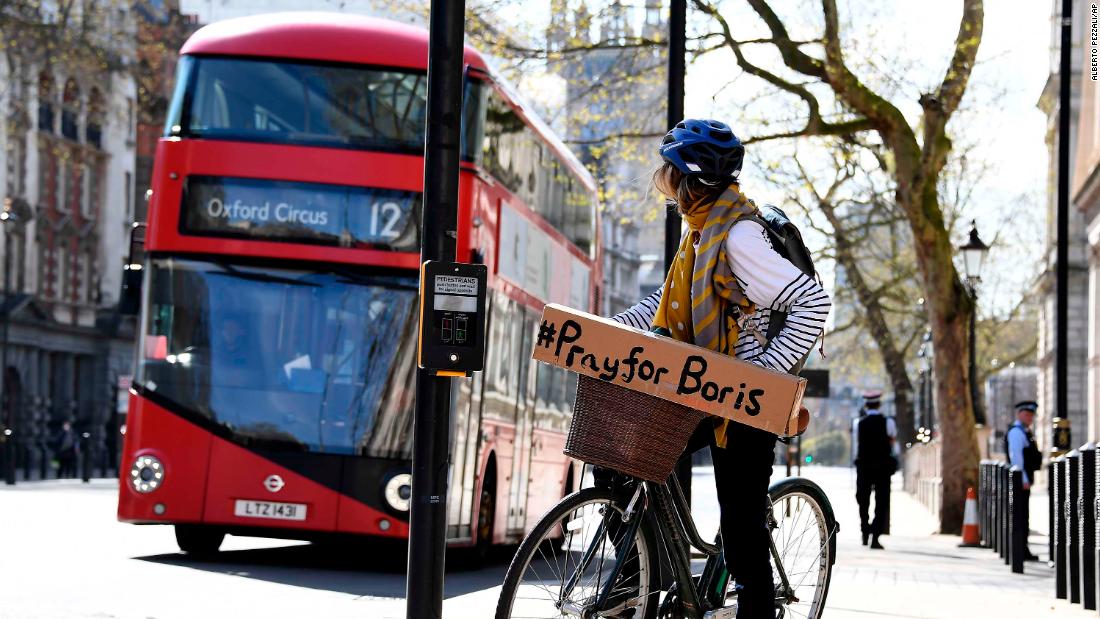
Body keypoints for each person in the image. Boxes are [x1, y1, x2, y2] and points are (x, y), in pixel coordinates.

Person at [612, 119, 832, 618]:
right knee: (623, 458)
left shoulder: (738, 235)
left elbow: (811, 302)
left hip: (745, 396)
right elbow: (668, 302)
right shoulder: (701, 231)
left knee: (740, 523)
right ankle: (635, 581)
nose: (659, 179)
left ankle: (756, 609)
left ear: (683, 179)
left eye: (664, 170)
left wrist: (764, 375)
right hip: (702, 383)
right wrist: (605, 330)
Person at [852, 391, 896, 549]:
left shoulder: (859, 423)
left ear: (866, 404)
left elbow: (857, 444)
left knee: (863, 500)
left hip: (864, 467)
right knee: (881, 501)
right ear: (879, 404)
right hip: (883, 467)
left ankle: (864, 531)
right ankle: (875, 537)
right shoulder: (888, 422)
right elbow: (892, 441)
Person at [1005, 400, 1041, 561]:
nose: (1030, 418)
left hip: (1023, 480)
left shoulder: (1025, 431)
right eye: (1027, 414)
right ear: (1019, 414)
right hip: (1020, 481)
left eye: (1031, 415)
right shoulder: (1017, 432)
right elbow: (1016, 458)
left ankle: (1022, 548)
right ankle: (1019, 550)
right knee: (1020, 516)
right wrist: (1023, 479)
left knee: (1023, 515)